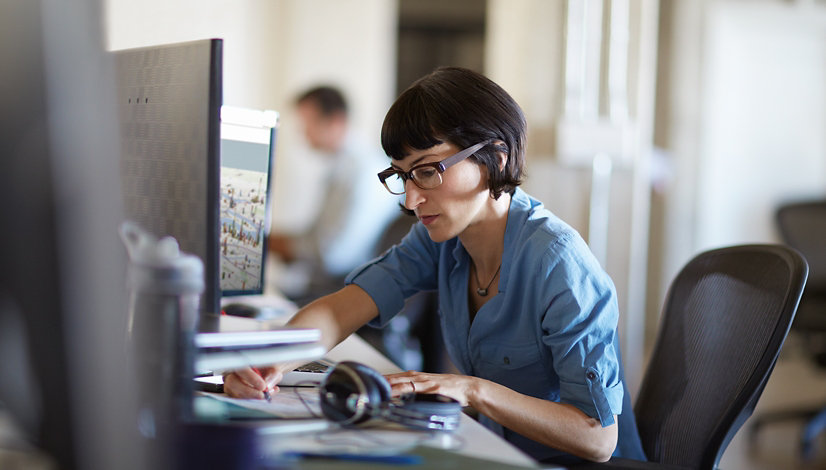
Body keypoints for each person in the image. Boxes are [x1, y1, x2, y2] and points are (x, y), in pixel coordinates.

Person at [226, 67, 644, 464]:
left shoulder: (559, 263)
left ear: (496, 158)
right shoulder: (439, 242)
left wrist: (473, 390)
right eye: (402, 175)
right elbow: (343, 307)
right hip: (496, 452)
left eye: (427, 171)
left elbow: (597, 437)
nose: (410, 200)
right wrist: (270, 360)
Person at [268, 86, 397, 304]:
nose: (304, 134)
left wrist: (273, 243)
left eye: (308, 125)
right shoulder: (345, 166)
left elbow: (334, 256)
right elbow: (318, 237)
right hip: (334, 285)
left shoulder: (360, 172)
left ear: (335, 121)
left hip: (347, 291)